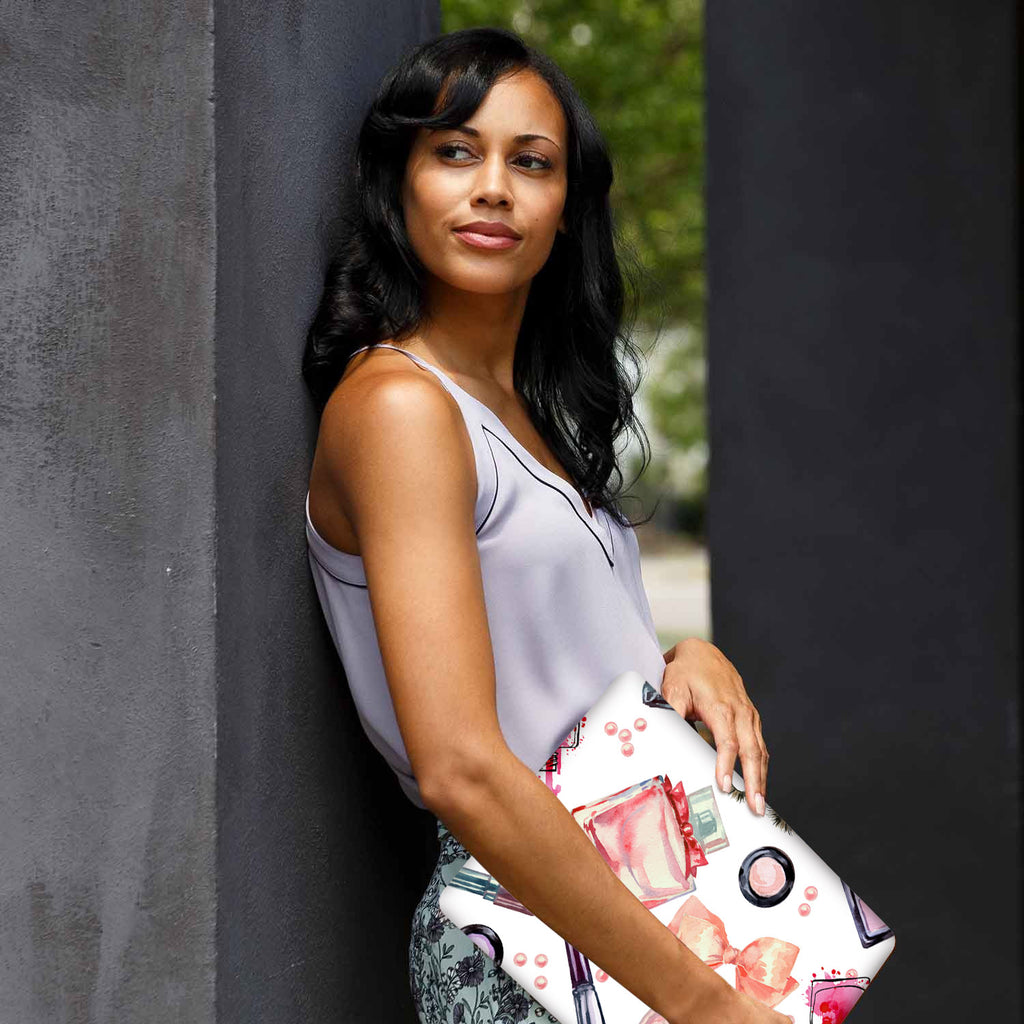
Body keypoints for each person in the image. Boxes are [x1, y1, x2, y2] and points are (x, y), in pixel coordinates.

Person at [302, 26, 784, 1024]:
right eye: (454, 152)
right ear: (397, 185)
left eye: (531, 162)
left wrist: (681, 661)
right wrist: (705, 1005)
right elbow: (464, 768)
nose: (493, 188)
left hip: (640, 896)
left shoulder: (524, 414)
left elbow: (547, 662)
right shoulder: (401, 408)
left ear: (566, 210)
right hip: (530, 937)